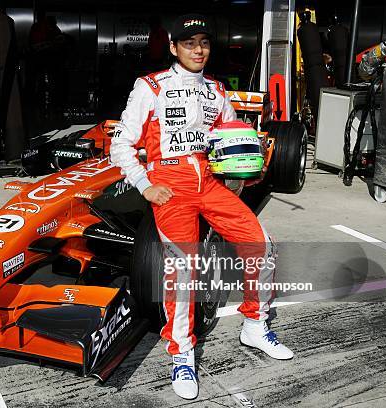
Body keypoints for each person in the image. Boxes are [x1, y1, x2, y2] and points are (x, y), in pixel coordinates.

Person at [110, 14, 294, 400]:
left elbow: (230, 141)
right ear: (174, 47)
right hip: (171, 186)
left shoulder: (217, 91)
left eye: (204, 43)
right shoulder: (150, 86)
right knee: (183, 271)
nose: (198, 50)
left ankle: (255, 326)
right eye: (189, 43)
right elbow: (121, 145)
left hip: (209, 183)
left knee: (262, 244)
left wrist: (245, 169)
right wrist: (145, 184)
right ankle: (182, 354)